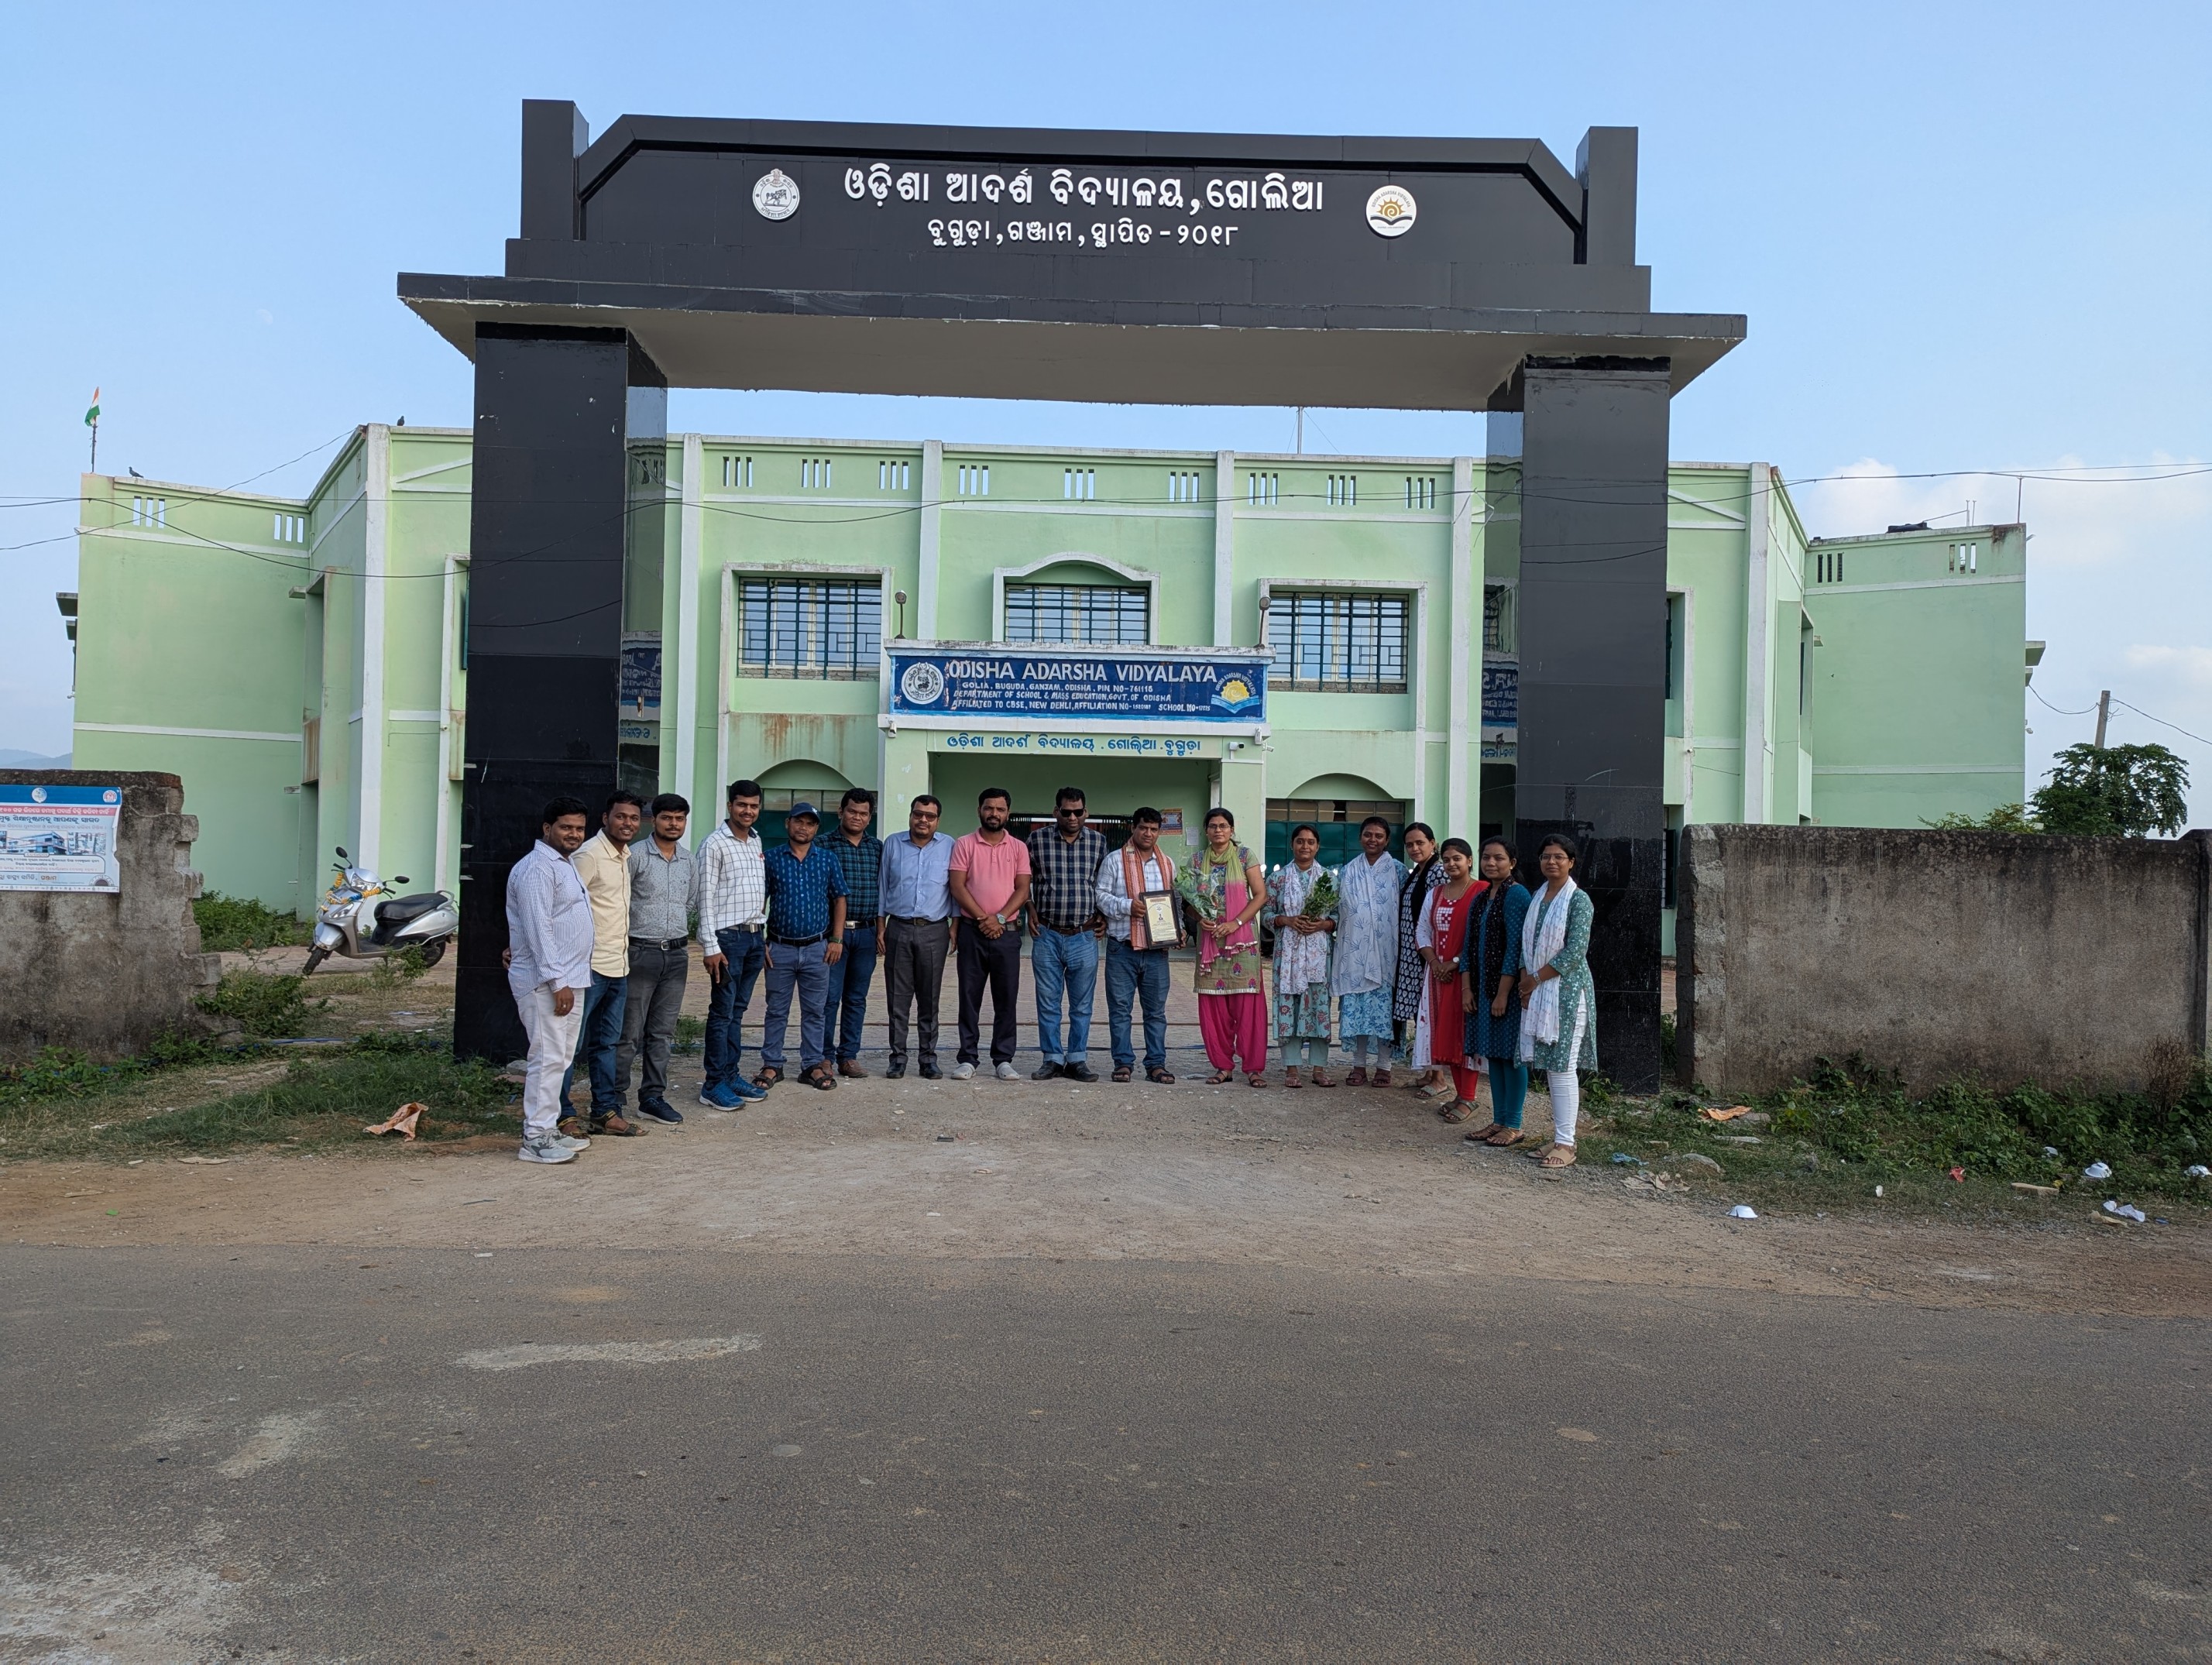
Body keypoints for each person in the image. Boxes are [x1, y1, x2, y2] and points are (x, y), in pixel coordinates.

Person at [505, 796, 596, 1166]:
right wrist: (557, 981)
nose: (574, 834)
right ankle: (535, 1138)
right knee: (546, 1057)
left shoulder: (565, 864)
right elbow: (539, 929)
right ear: (547, 829)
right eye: (566, 827)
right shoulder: (536, 869)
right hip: (547, 981)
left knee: (560, 1057)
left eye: (579, 828)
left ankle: (548, 1127)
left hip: (571, 978)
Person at [561, 791, 644, 1139]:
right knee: (570, 1045)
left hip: (618, 966)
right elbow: (564, 908)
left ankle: (604, 1111)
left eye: (634, 818)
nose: (628, 824)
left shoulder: (623, 856)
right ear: (605, 818)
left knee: (606, 1044)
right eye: (621, 817)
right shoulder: (589, 856)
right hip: (587, 968)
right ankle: (562, 1116)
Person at [616, 792, 698, 1126]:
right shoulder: (634, 856)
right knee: (629, 1032)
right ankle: (614, 1099)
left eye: (679, 819)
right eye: (667, 818)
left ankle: (652, 1097)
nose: (673, 824)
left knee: (662, 1033)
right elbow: (621, 902)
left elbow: (690, 903)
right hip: (639, 952)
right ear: (654, 819)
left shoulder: (689, 861)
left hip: (677, 955)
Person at [1519, 833, 1598, 1169]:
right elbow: (1528, 945)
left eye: (1559, 857)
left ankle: (1567, 1143)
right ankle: (1558, 1138)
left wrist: (1534, 979)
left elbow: (1575, 952)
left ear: (1571, 862)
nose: (1552, 862)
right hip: (1539, 990)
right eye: (1546, 856)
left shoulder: (1578, 900)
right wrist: (1527, 980)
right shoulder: (1539, 897)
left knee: (1563, 1067)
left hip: (1566, 992)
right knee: (1552, 1067)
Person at [756, 802, 847, 1092]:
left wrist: (836, 939)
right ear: (788, 824)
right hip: (779, 948)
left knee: (815, 1011)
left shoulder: (827, 859)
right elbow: (760, 899)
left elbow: (839, 899)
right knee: (776, 1010)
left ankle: (812, 1064)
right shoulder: (771, 859)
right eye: (798, 821)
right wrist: (760, 940)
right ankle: (772, 1064)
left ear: (816, 828)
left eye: (810, 823)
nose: (803, 827)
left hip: (817, 948)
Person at [946, 788, 1032, 1080]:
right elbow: (958, 886)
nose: (994, 814)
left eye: (1000, 809)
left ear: (1008, 813)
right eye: (988, 808)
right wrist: (985, 919)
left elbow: (1023, 889)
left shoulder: (1018, 847)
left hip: (1006, 934)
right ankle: (968, 1058)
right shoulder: (964, 844)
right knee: (969, 997)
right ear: (979, 810)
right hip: (973, 932)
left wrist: (999, 918)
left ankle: (1003, 1059)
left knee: (1006, 998)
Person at [696, 779, 771, 1111]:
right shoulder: (714, 843)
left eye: (754, 806)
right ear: (730, 806)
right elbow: (704, 898)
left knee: (738, 1014)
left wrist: (762, 937)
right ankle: (713, 1085)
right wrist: (710, 946)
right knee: (722, 1013)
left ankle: (731, 1075)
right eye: (742, 805)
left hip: (754, 938)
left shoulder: (756, 840)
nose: (748, 811)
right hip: (727, 940)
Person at [1025, 786, 1107, 1082]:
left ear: (1086, 812)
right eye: (1067, 812)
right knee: (1048, 1002)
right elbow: (1021, 880)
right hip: (1046, 933)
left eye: (1078, 812)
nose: (1073, 817)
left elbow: (1103, 885)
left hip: (1084, 936)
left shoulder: (1098, 842)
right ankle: (1051, 1058)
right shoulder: (1036, 840)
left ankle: (1077, 1059)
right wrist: (1029, 906)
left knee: (1082, 1005)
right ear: (1056, 812)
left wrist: (1103, 915)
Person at [1096, 805, 1179, 1084]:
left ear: (1159, 832)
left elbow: (1172, 902)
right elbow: (1100, 896)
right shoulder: (1114, 861)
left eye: (1154, 829)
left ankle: (1156, 1064)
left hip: (1157, 952)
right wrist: (1126, 906)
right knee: (1120, 1011)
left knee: (1156, 1012)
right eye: (1143, 827)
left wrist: (1177, 933)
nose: (1148, 833)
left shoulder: (1167, 863)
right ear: (1134, 828)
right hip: (1123, 948)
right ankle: (1123, 1063)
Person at [878, 793, 956, 1080]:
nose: (923, 820)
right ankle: (897, 1058)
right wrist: (881, 926)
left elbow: (955, 889)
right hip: (898, 927)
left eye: (930, 816)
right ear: (911, 815)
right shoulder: (893, 845)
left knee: (929, 998)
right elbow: (883, 887)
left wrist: (954, 927)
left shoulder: (949, 846)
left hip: (935, 930)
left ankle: (928, 1059)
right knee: (898, 999)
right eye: (918, 814)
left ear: (937, 820)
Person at [1189, 806, 1269, 1087]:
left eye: (1223, 826)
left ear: (1232, 830)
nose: (1218, 830)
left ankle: (1253, 1067)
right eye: (1213, 826)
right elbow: (1189, 902)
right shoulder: (1197, 861)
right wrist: (1201, 918)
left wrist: (1235, 923)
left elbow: (1260, 896)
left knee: (1247, 1004)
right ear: (1206, 831)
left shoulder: (1246, 856)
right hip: (1211, 941)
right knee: (1214, 1006)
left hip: (1242, 941)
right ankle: (1223, 1066)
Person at [1461, 837, 1532, 1148]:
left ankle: (1513, 1124)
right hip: (1481, 988)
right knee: (1495, 1056)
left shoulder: (1516, 896)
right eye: (1487, 857)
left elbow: (1515, 948)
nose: (1491, 863)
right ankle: (1499, 1120)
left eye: (1499, 858)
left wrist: (1503, 994)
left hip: (1506, 991)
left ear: (1512, 863)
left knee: (1511, 1056)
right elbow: (1468, 946)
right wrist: (1466, 988)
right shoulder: (1481, 896)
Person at [1414, 839, 1484, 1122]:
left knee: (1464, 1034)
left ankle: (1469, 1097)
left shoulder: (1481, 891)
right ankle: (1459, 1093)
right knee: (1446, 1034)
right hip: (1438, 976)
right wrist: (1435, 963)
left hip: (1468, 976)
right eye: (1447, 859)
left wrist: (1453, 963)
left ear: (1469, 861)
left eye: (1458, 858)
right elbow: (1422, 931)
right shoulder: (1436, 893)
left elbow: (1480, 936)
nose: (1452, 864)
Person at [1331, 815, 1403, 1086]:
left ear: (1387, 840)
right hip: (1355, 953)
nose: (1373, 840)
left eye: (1379, 836)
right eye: (1368, 835)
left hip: (1387, 953)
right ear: (1360, 837)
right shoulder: (1349, 870)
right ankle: (1358, 1066)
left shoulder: (1397, 870)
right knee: (1357, 1009)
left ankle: (1384, 1067)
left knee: (1384, 1013)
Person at [820, 788, 884, 1079]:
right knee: (829, 998)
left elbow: (885, 890)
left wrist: (882, 929)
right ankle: (823, 1057)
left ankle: (849, 1056)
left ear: (869, 818)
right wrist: (833, 936)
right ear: (841, 812)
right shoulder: (823, 845)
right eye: (852, 811)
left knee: (857, 998)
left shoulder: (877, 848)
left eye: (863, 813)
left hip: (867, 933)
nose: (857, 817)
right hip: (834, 936)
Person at [1267, 824, 1336, 1087]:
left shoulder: (1329, 879)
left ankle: (1319, 1069)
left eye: (1310, 842)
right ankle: (1292, 1069)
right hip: (1288, 956)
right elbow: (1266, 915)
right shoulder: (1278, 879)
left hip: (1318, 956)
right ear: (1292, 845)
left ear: (1317, 846)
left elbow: (1338, 919)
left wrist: (1321, 924)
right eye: (1299, 841)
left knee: (1319, 1008)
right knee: (1290, 1008)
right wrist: (1287, 920)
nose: (1304, 847)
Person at [1390, 822, 1443, 1090]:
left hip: (1429, 955)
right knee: (1422, 1015)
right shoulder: (1418, 872)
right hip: (1413, 956)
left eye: (1420, 842)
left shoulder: (1438, 872)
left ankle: (1440, 1077)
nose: (1414, 848)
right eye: (1410, 844)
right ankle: (1431, 1072)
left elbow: (1441, 912)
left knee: (1433, 1013)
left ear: (1433, 844)